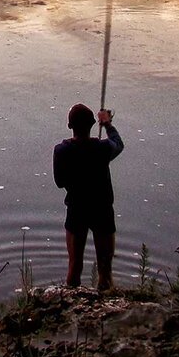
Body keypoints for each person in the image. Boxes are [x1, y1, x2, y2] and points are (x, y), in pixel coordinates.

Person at [52, 103, 124, 290]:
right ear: (93, 123)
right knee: (105, 269)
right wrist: (107, 124)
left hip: (77, 210)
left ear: (70, 126)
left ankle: (71, 304)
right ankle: (104, 305)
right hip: (102, 210)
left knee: (74, 266)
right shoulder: (103, 148)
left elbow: (60, 182)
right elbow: (118, 143)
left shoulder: (61, 151)